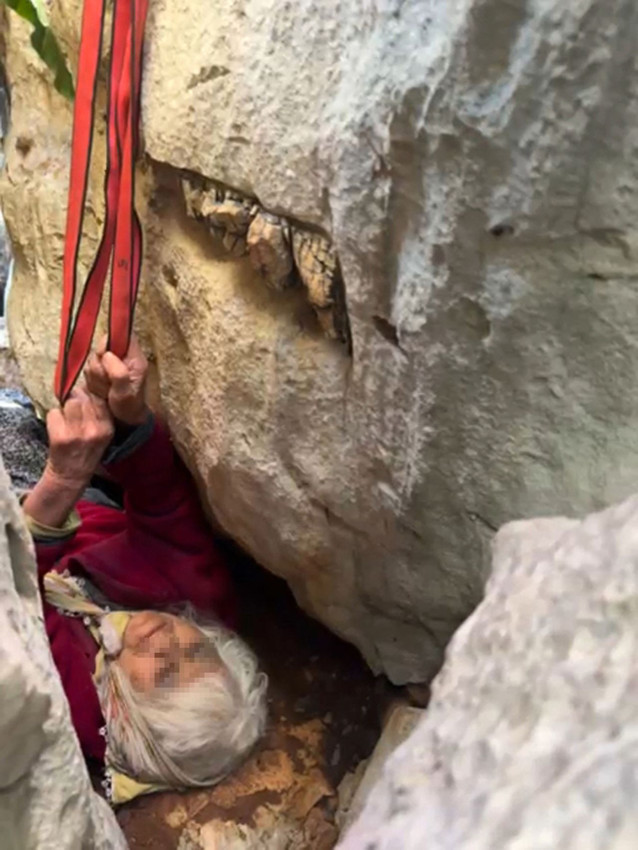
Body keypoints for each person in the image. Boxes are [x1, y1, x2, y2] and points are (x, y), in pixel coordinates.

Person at [22, 336, 268, 804]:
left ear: (127, 711)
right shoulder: (200, 603)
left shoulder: (74, 704)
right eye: (197, 656)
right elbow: (163, 504)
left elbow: (11, 608)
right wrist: (129, 414)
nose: (169, 644)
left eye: (165, 677)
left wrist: (60, 484)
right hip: (80, 504)